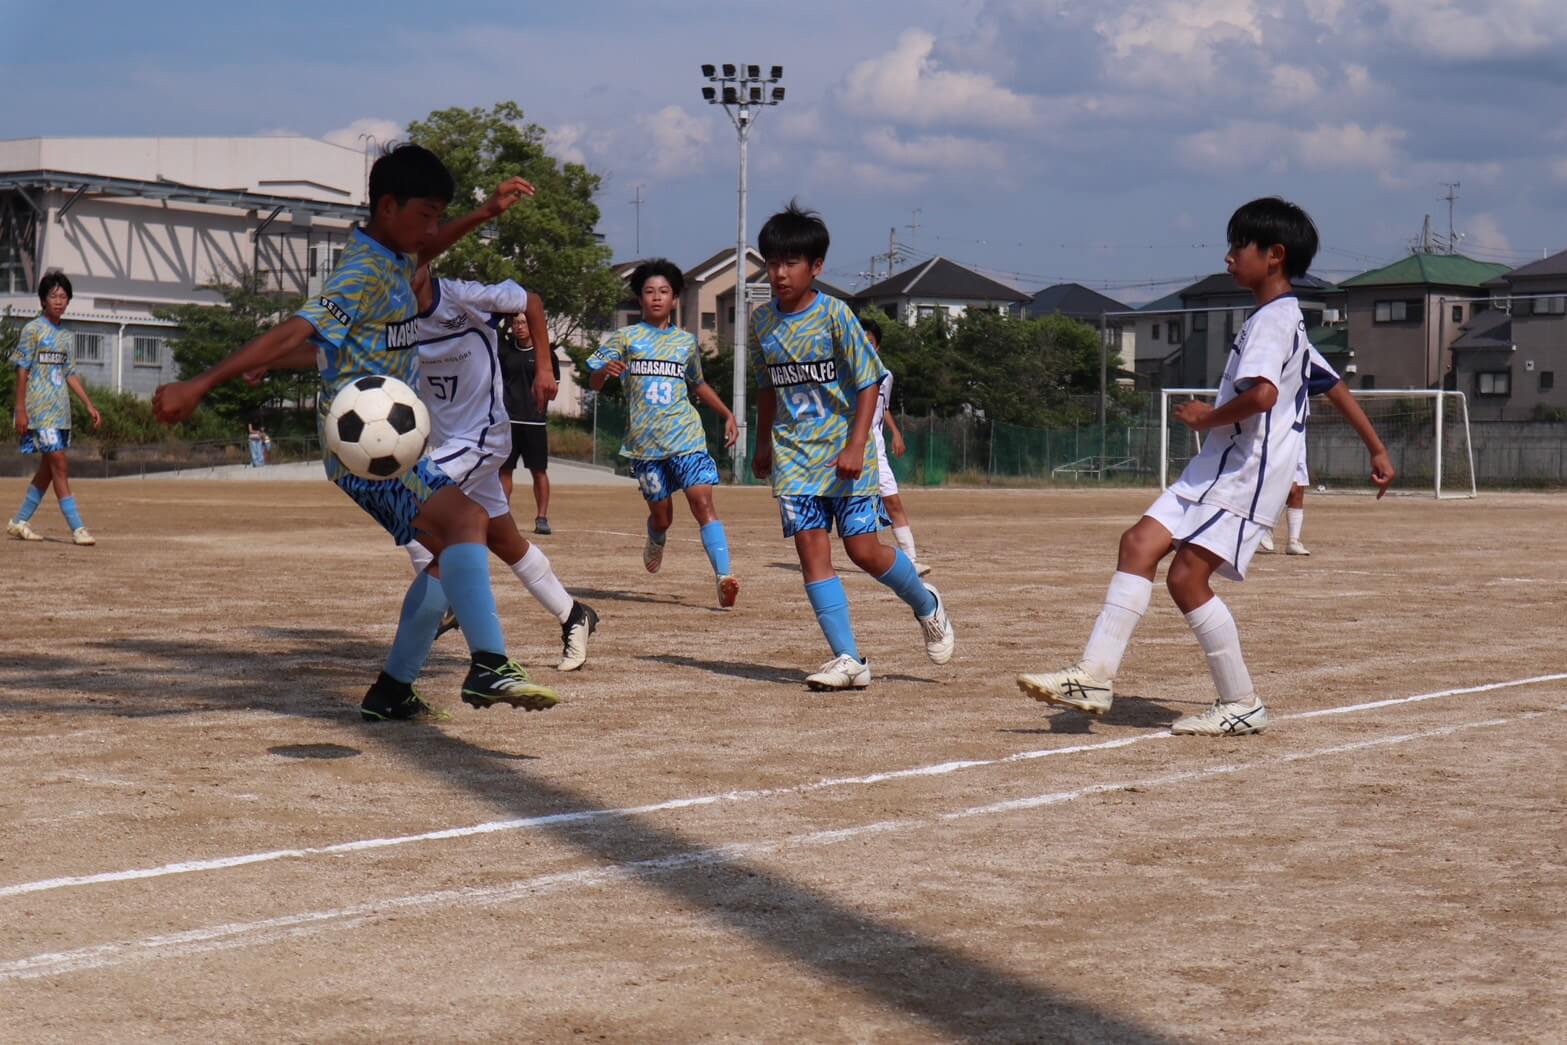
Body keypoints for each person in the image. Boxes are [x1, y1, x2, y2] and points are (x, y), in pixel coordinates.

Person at [152, 143, 559, 721]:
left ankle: (392, 690)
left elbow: (409, 264)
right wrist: (201, 383)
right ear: (388, 206)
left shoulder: (394, 254)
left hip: (393, 444)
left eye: (438, 216)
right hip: (370, 456)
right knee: (469, 522)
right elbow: (300, 325)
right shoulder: (364, 270)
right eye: (425, 215)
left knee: (449, 554)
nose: (432, 229)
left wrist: (483, 215)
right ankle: (489, 664)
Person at [1017, 197, 1394, 736]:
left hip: (1247, 473)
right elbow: (1330, 383)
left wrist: (1207, 416)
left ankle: (1241, 701)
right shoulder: (1285, 320)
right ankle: (1093, 675)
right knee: (1137, 543)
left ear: (1274, 256)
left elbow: (1263, 395)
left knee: (1187, 578)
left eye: (1240, 245)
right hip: (1217, 467)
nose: (1229, 255)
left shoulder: (1274, 322)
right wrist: (1376, 449)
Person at [749, 202, 954, 691]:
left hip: (845, 455)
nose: (779, 273)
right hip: (795, 459)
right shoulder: (761, 322)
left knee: (863, 551)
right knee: (811, 554)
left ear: (815, 266)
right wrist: (761, 444)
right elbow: (765, 386)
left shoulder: (836, 315)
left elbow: (868, 382)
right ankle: (848, 659)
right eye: (773, 262)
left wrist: (858, 444)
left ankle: (926, 604)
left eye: (790, 262)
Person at [586, 258, 741, 608]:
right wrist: (604, 373)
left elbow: (697, 384)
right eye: (649, 292)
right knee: (663, 515)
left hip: (686, 438)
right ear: (640, 299)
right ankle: (656, 536)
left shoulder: (685, 343)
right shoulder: (625, 338)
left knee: (703, 503)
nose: (656, 297)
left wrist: (727, 413)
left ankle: (724, 576)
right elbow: (594, 381)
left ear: (674, 299)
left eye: (664, 292)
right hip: (645, 446)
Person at [1259, 345, 1388, 557]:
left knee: (1299, 485)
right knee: (1284, 485)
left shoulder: (1301, 349)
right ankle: (1265, 528)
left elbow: (1333, 384)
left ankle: (1293, 540)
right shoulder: (1267, 349)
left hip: (1297, 428)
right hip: (1273, 430)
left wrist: (1377, 450)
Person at [7, 271, 101, 546]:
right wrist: (20, 410)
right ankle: (78, 528)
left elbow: (70, 372)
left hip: (61, 411)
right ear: (43, 300)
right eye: (53, 296)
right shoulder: (32, 330)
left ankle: (20, 521)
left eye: (63, 296)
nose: (59, 301)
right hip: (38, 411)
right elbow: (22, 370)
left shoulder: (67, 337)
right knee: (59, 463)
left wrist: (88, 403)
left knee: (49, 469)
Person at [859, 317, 930, 577]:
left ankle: (911, 560)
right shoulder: (845, 372)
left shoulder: (885, 375)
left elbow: (882, 407)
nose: (864, 347)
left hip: (874, 447)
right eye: (859, 342)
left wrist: (896, 432)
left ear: (877, 347)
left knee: (893, 501)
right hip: (848, 443)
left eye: (869, 343)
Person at [499, 314, 558, 534]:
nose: (519, 327)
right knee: (504, 471)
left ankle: (541, 518)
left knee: (539, 472)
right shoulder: (505, 352)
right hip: (508, 421)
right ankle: (503, 517)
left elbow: (553, 389)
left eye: (524, 322)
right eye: (515, 323)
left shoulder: (546, 356)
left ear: (532, 326)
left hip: (535, 423)